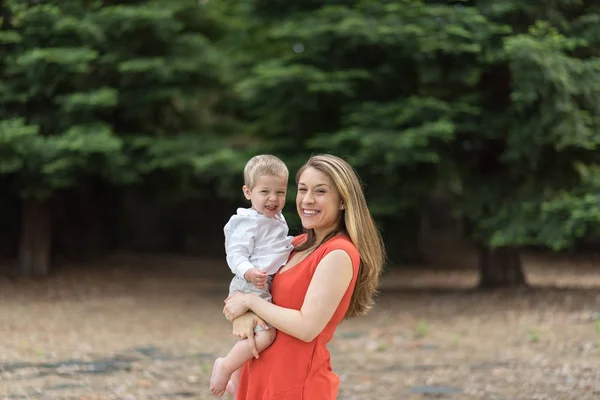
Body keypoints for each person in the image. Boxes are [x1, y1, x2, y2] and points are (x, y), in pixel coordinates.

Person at [222, 154, 385, 399]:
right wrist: (242, 315)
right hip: (259, 372)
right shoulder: (294, 244)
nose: (307, 200)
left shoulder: (338, 253)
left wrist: (249, 303)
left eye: (320, 191)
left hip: (295, 383)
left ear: (342, 201)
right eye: (302, 189)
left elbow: (306, 327)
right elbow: (248, 285)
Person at [210, 154, 294, 396]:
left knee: (252, 334)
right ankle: (225, 365)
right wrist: (249, 273)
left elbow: (274, 248)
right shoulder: (248, 222)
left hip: (260, 282)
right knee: (266, 335)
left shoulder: (275, 218)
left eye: (280, 192)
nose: (273, 198)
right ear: (248, 192)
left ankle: (236, 381)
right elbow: (235, 254)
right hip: (250, 282)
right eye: (265, 191)